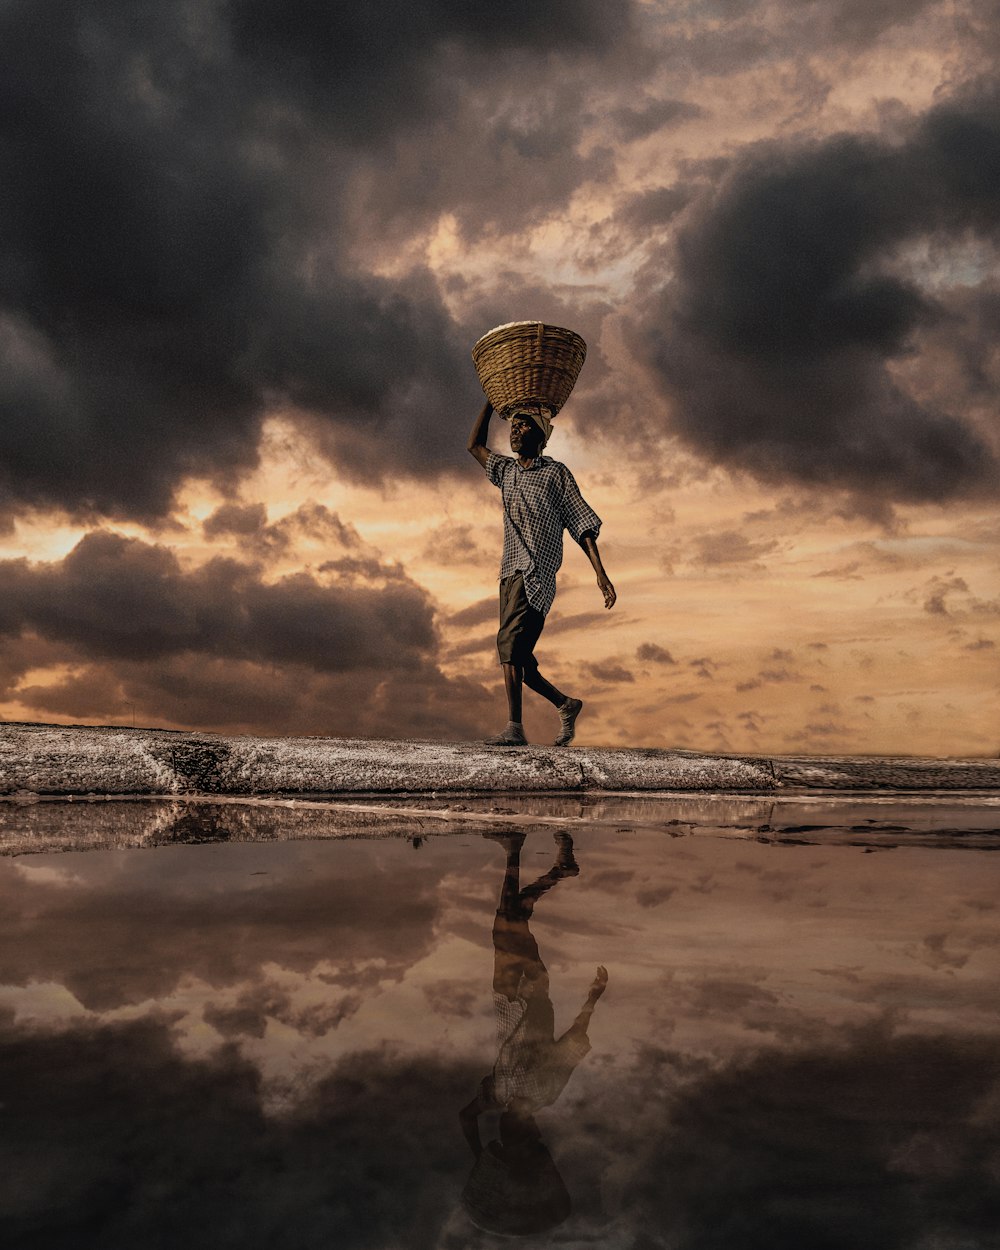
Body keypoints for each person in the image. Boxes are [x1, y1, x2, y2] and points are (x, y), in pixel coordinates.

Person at [459, 830, 608, 1235]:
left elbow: (465, 1117)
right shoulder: (545, 1092)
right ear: (531, 1133)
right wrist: (593, 998)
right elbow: (573, 1045)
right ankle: (518, 850)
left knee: (511, 916)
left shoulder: (498, 1096)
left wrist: (480, 1156)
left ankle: (552, 866)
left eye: (499, 1139)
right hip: (532, 991)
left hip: (504, 996)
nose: (502, 1130)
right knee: (508, 919)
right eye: (511, 1137)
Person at [468, 399, 616, 747]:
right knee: (520, 659)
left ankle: (515, 728)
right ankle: (566, 704)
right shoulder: (506, 472)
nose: (515, 432)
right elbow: (474, 446)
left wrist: (601, 575)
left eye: (523, 426)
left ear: (540, 436)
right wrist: (489, 405)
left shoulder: (556, 474)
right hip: (509, 573)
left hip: (537, 576)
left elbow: (582, 524)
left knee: (507, 645)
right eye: (513, 426)